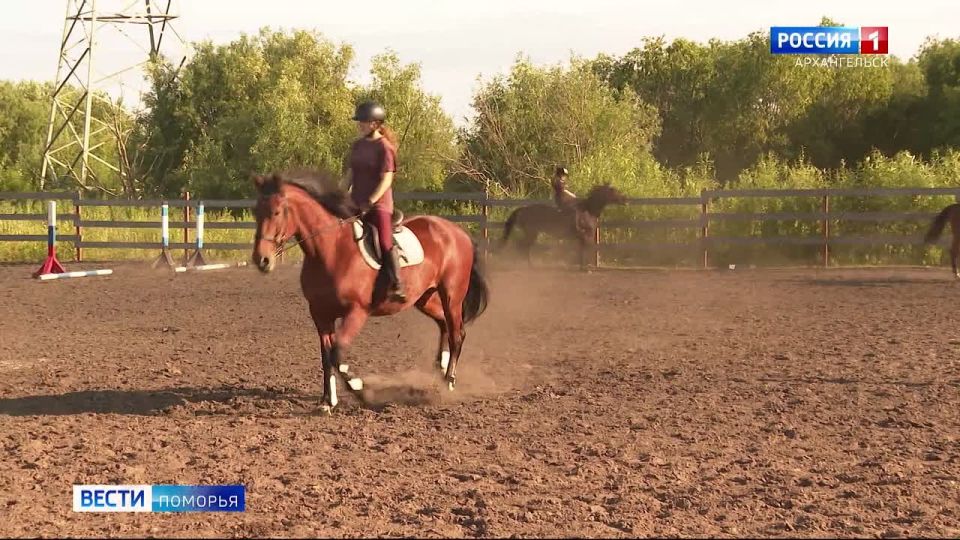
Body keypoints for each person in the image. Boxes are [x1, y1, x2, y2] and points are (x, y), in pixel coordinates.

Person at [344, 100, 406, 302]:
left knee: (384, 240)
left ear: (375, 124)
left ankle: (397, 283)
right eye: (359, 121)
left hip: (378, 204)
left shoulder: (384, 147)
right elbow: (350, 174)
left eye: (362, 121)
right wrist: (337, 195)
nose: (359, 125)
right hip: (355, 202)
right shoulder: (358, 145)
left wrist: (370, 201)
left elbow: (387, 179)